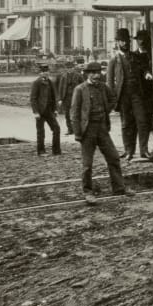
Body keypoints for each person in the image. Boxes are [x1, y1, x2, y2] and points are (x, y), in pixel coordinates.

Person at [69, 61, 135, 204]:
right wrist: (77, 133)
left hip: (102, 128)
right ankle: (88, 192)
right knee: (87, 164)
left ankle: (119, 188)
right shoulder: (80, 90)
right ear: (87, 74)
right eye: (92, 73)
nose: (96, 76)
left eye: (98, 73)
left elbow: (113, 99)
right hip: (88, 131)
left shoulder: (104, 87)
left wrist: (107, 109)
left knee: (114, 157)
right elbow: (74, 113)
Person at [106, 28, 140, 160]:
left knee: (137, 122)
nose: (124, 43)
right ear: (118, 43)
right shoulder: (114, 60)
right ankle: (127, 150)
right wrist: (113, 99)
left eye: (126, 41)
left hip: (135, 94)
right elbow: (110, 82)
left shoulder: (134, 56)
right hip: (123, 96)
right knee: (126, 123)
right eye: (122, 41)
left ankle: (133, 149)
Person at [128, 30, 153, 159]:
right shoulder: (133, 56)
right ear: (137, 41)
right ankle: (139, 150)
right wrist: (145, 72)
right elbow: (135, 70)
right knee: (140, 121)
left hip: (152, 93)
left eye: (144, 39)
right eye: (139, 39)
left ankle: (151, 148)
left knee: (151, 122)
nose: (142, 42)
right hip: (138, 94)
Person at [29, 62, 61, 156]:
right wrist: (35, 112)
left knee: (56, 129)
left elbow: (53, 97)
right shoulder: (36, 83)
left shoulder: (50, 82)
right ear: (40, 73)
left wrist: (55, 109)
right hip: (40, 111)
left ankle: (56, 150)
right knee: (41, 132)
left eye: (46, 71)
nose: (45, 73)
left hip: (49, 111)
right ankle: (41, 151)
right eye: (43, 71)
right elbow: (33, 98)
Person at [56, 59, 83, 134]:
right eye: (68, 68)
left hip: (76, 97)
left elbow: (83, 86)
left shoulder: (78, 76)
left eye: (71, 67)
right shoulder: (63, 76)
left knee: (76, 113)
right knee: (67, 115)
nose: (69, 69)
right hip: (66, 98)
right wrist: (60, 99)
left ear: (73, 68)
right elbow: (60, 88)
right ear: (66, 68)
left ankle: (77, 129)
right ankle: (70, 129)